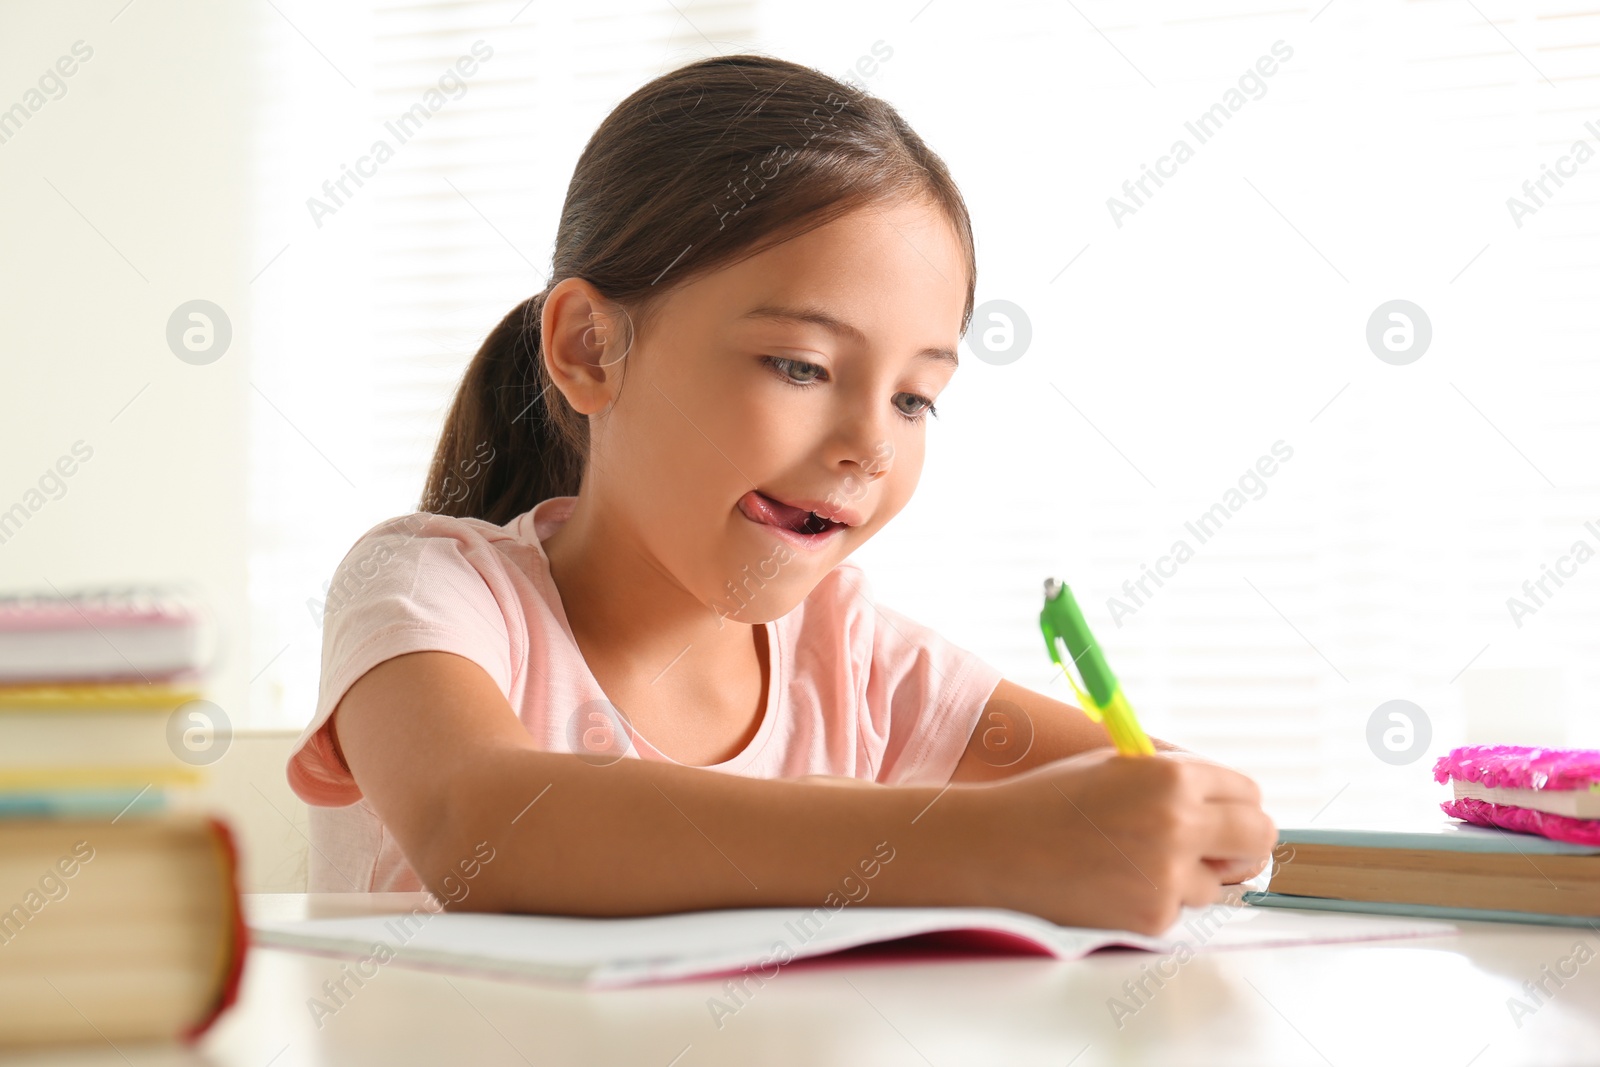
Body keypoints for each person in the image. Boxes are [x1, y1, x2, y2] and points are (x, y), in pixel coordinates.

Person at [285, 52, 1274, 935]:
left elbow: (1173, 809)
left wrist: (1188, 828)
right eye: (800, 366)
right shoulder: (426, 593)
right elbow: (484, 828)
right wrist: (987, 845)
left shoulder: (859, 662)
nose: (868, 444)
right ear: (591, 348)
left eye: (915, 397)